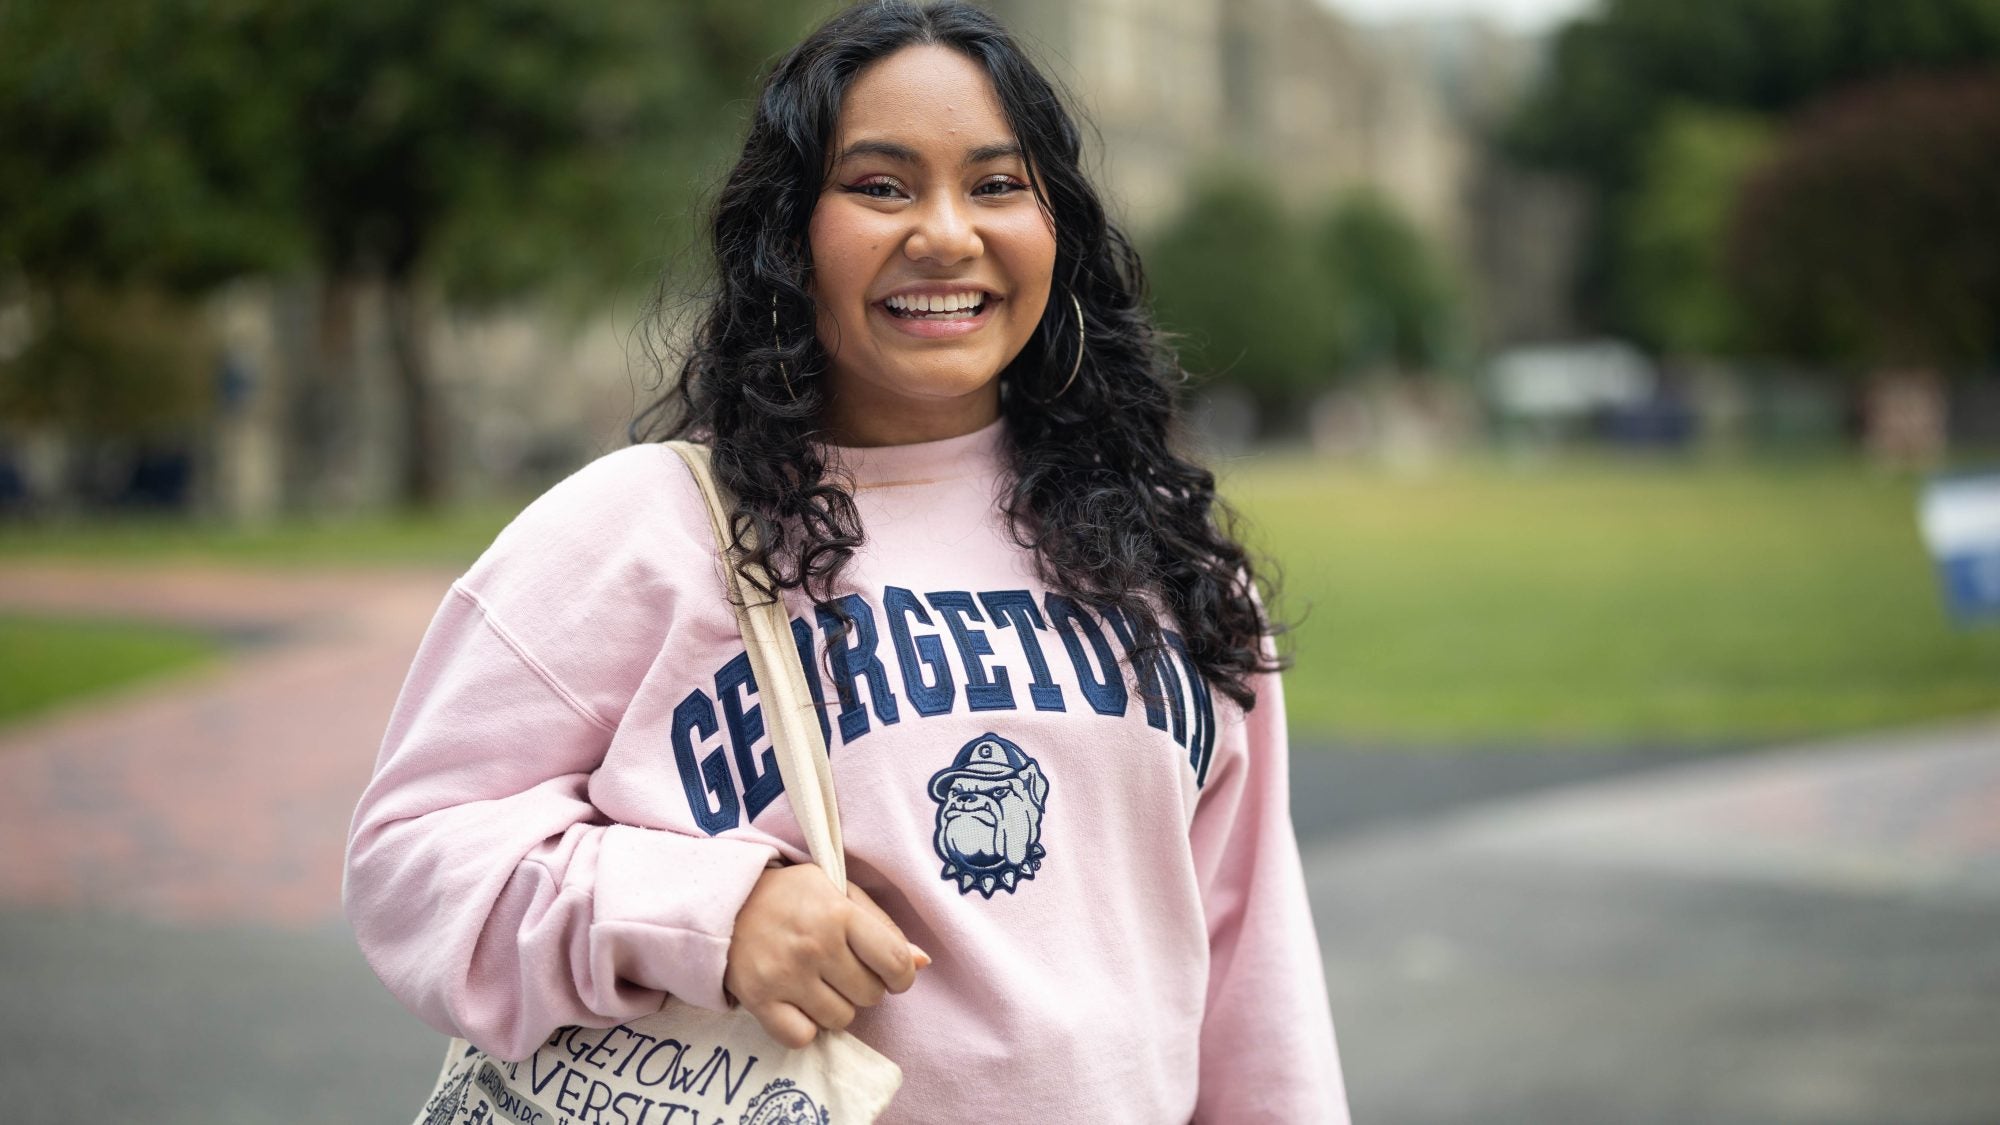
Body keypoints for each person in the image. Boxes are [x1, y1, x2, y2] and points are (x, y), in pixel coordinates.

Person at [343, 2, 1348, 1120]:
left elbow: (1250, 967)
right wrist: (711, 916)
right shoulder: (641, 530)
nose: (945, 234)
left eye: (996, 185)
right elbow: (410, 859)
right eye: (879, 186)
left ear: (1055, 229)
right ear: (790, 233)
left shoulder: (1166, 562)